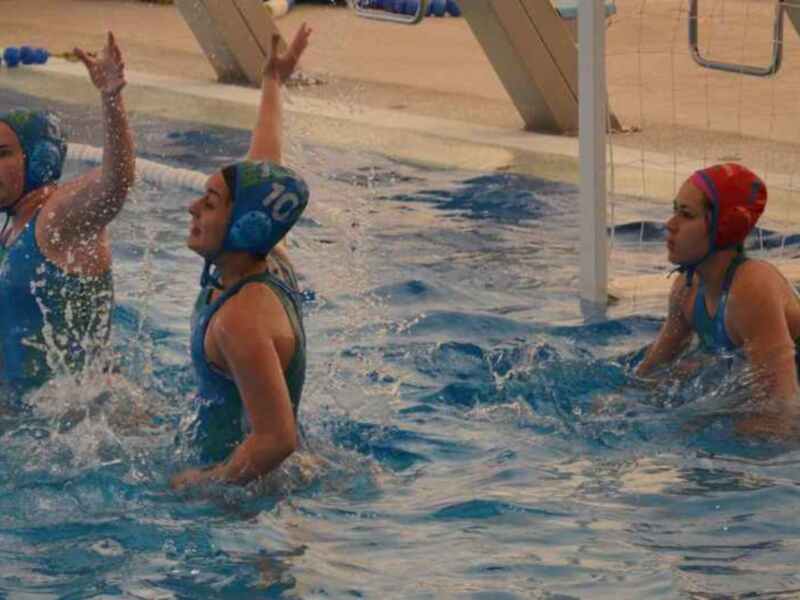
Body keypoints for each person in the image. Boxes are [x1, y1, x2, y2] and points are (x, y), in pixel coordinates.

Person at [171, 24, 312, 489]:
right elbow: (266, 159)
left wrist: (204, 484)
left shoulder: (240, 321)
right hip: (257, 474)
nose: (193, 208)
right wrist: (273, 82)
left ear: (244, 226)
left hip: (249, 500)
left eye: (209, 204)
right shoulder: (270, 259)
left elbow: (275, 440)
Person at [0, 32, 134, 397]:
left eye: (1, 154)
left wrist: (111, 98)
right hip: (25, 411)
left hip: (73, 419)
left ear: (39, 159)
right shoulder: (11, 227)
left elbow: (114, 185)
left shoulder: (57, 218)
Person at [635, 163, 800, 436]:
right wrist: (621, 402)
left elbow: (781, 407)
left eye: (686, 214)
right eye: (675, 210)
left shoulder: (752, 286)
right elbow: (655, 367)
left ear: (725, 227)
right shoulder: (686, 289)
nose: (670, 224)